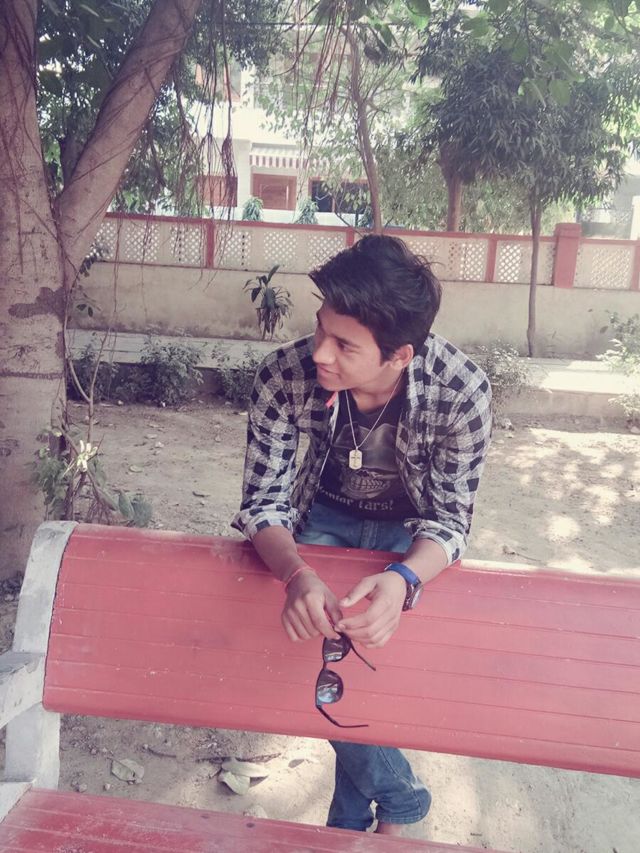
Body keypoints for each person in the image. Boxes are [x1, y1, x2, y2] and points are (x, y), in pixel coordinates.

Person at [232, 234, 492, 835]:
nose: (319, 353)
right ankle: (398, 798)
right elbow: (262, 503)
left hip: (411, 529)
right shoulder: (284, 374)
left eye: (345, 345)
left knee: (365, 658)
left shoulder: (461, 392)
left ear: (400, 355)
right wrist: (295, 573)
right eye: (320, 329)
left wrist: (403, 580)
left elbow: (450, 521)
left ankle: (348, 827)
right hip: (322, 517)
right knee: (316, 657)